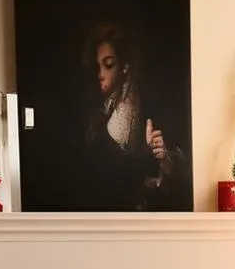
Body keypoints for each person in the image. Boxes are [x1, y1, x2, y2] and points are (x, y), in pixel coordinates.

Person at [80, 22, 186, 211]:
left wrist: (161, 155)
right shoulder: (97, 117)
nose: (101, 75)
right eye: (98, 67)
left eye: (108, 65)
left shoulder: (147, 107)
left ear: (124, 67)